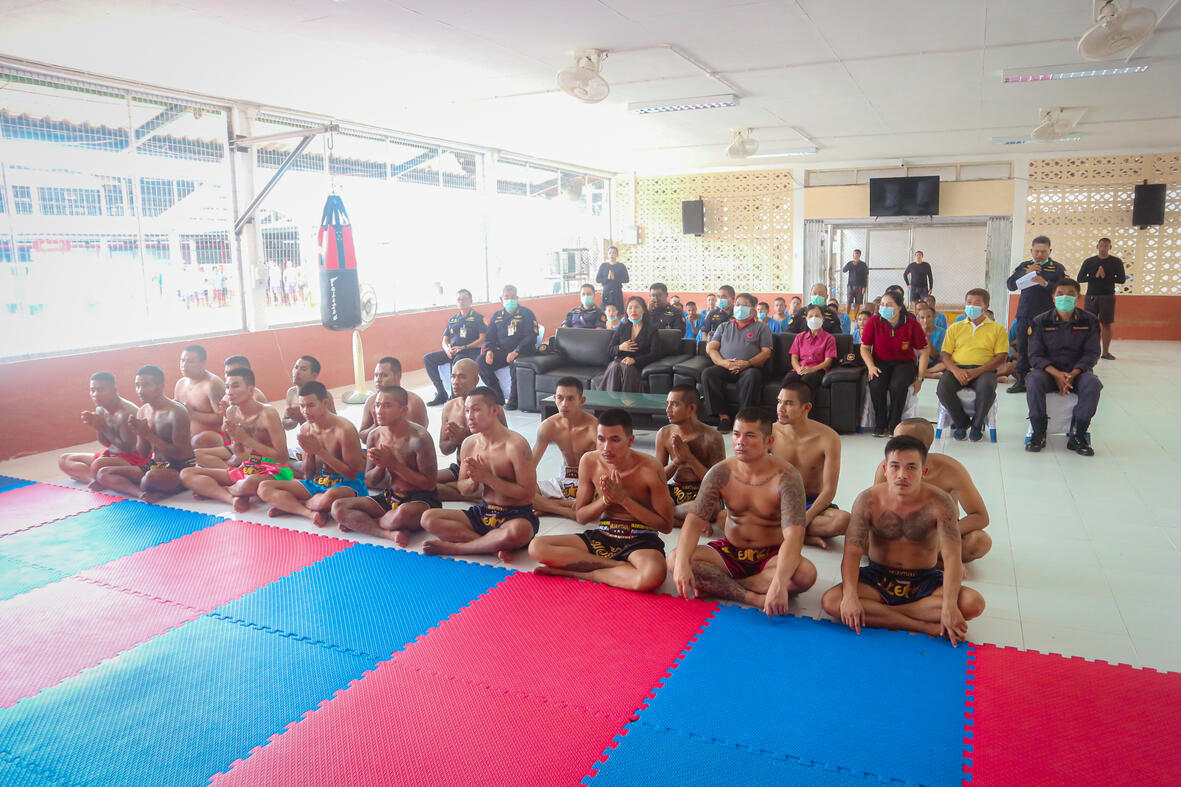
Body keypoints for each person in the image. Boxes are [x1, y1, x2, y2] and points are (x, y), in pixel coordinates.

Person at [821, 435, 985, 644]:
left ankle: (883, 613)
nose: (902, 474)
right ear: (884, 468)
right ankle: (920, 625)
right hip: (878, 577)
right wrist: (851, 596)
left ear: (924, 472)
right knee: (832, 601)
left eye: (911, 467)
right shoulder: (867, 500)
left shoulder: (941, 502)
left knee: (973, 603)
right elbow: (852, 552)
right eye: (895, 466)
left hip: (924, 580)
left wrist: (950, 606)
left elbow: (952, 558)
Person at [669, 407, 816, 615]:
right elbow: (694, 521)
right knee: (675, 559)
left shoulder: (787, 477)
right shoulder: (720, 472)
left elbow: (794, 537)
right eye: (737, 434)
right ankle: (750, 596)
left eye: (750, 436)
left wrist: (780, 580)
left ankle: (723, 585)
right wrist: (683, 564)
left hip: (771, 555)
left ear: (769, 441)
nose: (740, 442)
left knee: (805, 575)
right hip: (729, 552)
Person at [529, 409, 673, 591]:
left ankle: (584, 573)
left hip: (641, 538)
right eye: (601, 439)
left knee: (652, 576)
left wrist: (624, 500)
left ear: (630, 441)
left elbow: (666, 526)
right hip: (604, 534)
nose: (606, 448)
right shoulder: (589, 461)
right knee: (537, 547)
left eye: (614, 440)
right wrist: (605, 500)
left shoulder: (650, 468)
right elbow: (581, 517)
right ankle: (616, 568)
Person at [419, 387, 538, 561]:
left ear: (495, 410)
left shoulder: (516, 445)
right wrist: (474, 481)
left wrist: (488, 478)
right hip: (483, 512)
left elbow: (528, 494)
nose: (470, 417)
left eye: (476, 410)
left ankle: (459, 548)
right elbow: (463, 489)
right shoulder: (469, 444)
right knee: (428, 518)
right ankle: (488, 547)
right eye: (467, 411)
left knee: (517, 532)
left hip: (516, 515)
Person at [329, 387, 439, 544]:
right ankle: (387, 533)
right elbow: (369, 481)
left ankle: (365, 523)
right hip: (390, 497)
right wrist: (381, 466)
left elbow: (429, 484)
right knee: (338, 508)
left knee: (402, 515)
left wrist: (394, 464)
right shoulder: (375, 436)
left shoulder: (419, 438)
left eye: (387, 406)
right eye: (377, 405)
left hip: (419, 500)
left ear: (403, 410)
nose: (379, 411)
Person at [876, 419, 991, 563]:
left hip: (942, 531)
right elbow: (875, 510)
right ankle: (930, 563)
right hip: (900, 531)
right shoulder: (886, 467)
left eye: (902, 442)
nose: (894, 446)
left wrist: (941, 533)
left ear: (922, 447)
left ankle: (927, 563)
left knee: (980, 542)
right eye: (894, 439)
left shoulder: (950, 470)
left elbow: (980, 516)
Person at [179, 368, 289, 513]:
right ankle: (232, 498)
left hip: (275, 470)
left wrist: (246, 439)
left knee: (249, 483)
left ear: (250, 390)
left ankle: (225, 489)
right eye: (227, 387)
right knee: (186, 474)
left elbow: (282, 457)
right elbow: (240, 455)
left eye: (235, 386)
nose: (229, 392)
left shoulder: (268, 413)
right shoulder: (231, 412)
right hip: (248, 467)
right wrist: (236, 440)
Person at [257, 381, 366, 525]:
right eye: (302, 406)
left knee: (330, 497)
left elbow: (352, 474)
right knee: (264, 487)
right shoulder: (305, 429)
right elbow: (308, 475)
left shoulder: (344, 429)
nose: (305, 411)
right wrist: (309, 453)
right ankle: (308, 512)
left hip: (346, 486)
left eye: (311, 405)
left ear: (325, 403)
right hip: (317, 483)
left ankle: (291, 505)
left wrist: (319, 451)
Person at [92, 365, 194, 502]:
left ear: (159, 386)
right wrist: (140, 434)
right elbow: (144, 454)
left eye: (145, 385)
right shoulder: (143, 411)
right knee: (103, 473)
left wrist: (148, 435)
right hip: (154, 465)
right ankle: (141, 493)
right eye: (137, 386)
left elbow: (179, 454)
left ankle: (167, 487)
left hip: (180, 467)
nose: (140, 391)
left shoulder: (176, 412)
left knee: (151, 478)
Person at [1025, 278, 1102, 456]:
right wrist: (1057, 374)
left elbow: (1092, 354)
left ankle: (1078, 435)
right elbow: (1035, 355)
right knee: (1033, 381)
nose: (1064, 297)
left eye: (1070, 294)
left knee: (1093, 384)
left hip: (1078, 373)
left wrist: (1072, 374)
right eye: (1060, 294)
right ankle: (1038, 432)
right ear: (1053, 297)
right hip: (1047, 372)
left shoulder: (1089, 320)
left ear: (1078, 297)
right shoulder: (1040, 321)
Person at [772, 382, 850, 547]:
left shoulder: (829, 438)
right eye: (779, 401)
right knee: (726, 517)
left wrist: (804, 520)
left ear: (806, 408)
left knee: (843, 520)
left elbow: (829, 490)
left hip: (812, 502)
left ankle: (785, 532)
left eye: (788, 403)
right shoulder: (771, 432)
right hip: (779, 501)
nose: (781, 408)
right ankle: (803, 536)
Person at [936, 288, 1009, 442]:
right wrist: (956, 371)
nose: (972, 306)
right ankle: (961, 423)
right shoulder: (955, 327)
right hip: (958, 368)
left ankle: (977, 425)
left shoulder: (998, 329)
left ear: (986, 305)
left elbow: (1001, 356)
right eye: (969, 302)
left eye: (976, 303)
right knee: (943, 388)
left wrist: (978, 371)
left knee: (986, 388)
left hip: (984, 370)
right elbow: (945, 354)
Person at [701, 292, 773, 433]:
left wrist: (747, 363)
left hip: (749, 367)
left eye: (745, 305)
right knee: (708, 374)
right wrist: (723, 362)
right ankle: (724, 417)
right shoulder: (724, 326)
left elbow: (766, 352)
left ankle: (742, 418)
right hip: (725, 366)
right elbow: (711, 348)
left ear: (753, 309)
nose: (740, 308)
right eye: (738, 304)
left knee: (752, 376)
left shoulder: (762, 328)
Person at [860, 292, 929, 437]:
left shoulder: (911, 324)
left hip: (904, 363)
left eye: (889, 305)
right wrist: (871, 366)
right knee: (877, 385)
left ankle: (895, 424)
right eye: (882, 304)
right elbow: (864, 348)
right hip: (880, 362)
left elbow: (923, 352)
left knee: (897, 386)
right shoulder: (874, 321)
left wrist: (920, 379)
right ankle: (880, 424)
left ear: (899, 307)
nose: (884, 308)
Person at [656, 384, 726, 522]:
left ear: (691, 408)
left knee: (711, 507)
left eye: (674, 405)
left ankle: (668, 516)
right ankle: (681, 518)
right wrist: (676, 461)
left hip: (702, 494)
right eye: (668, 404)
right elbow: (658, 478)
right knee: (640, 493)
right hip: (675, 490)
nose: (667, 410)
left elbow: (719, 483)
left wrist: (690, 459)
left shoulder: (712, 437)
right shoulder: (664, 434)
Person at [1006, 235, 1066, 393]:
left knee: (1046, 347)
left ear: (1049, 251)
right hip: (1024, 313)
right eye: (1036, 251)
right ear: (1031, 250)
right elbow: (1011, 285)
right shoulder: (1024, 266)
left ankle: (1046, 379)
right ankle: (1021, 380)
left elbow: (1063, 290)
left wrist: (1045, 283)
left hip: (1046, 315)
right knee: (1023, 346)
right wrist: (1026, 272)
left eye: (1043, 251)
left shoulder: (1057, 268)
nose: (1039, 254)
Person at [58, 372, 142, 485]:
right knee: (64, 459)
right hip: (113, 455)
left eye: (101, 390)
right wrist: (97, 426)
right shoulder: (100, 409)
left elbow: (128, 449)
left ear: (114, 391)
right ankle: (93, 480)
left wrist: (104, 427)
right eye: (92, 390)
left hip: (136, 459)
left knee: (97, 465)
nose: (95, 394)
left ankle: (94, 476)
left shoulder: (125, 413)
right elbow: (105, 442)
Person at [533, 377, 598, 518]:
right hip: (563, 481)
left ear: (582, 401)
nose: (564, 404)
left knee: (605, 498)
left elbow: (606, 466)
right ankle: (569, 511)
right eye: (560, 398)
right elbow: (529, 466)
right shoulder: (548, 426)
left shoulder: (594, 427)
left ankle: (548, 506)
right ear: (554, 398)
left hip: (589, 484)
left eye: (570, 399)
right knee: (523, 492)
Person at [424, 288, 487, 406]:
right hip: (453, 351)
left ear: (470, 301)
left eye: (464, 299)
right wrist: (447, 349)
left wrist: (463, 347)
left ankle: (454, 397)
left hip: (470, 352)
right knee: (428, 358)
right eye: (459, 299)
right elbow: (445, 339)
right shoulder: (453, 319)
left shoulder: (478, 318)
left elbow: (482, 339)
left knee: (458, 361)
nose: (461, 302)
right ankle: (441, 392)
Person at [480, 284, 538, 410]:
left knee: (515, 364)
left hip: (523, 351)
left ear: (517, 298)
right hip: (502, 352)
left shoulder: (527, 314)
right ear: (501, 299)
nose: (510, 300)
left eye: (512, 297)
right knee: (480, 362)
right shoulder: (497, 316)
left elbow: (531, 337)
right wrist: (489, 350)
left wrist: (516, 351)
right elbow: (489, 336)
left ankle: (514, 399)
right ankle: (496, 395)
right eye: (507, 297)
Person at [435, 358, 484, 501]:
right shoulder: (449, 407)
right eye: (453, 376)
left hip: (484, 471)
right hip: (459, 468)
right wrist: (453, 440)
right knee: (423, 482)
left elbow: (501, 447)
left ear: (476, 379)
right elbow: (444, 449)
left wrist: (466, 437)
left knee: (433, 490)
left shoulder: (489, 406)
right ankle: (469, 495)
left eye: (462, 376)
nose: (455, 382)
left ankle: (467, 492)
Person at [594, 296, 657, 392]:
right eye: (630, 308)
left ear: (643, 310)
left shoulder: (651, 329)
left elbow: (655, 354)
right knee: (614, 367)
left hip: (636, 366)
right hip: (619, 363)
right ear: (626, 311)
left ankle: (625, 405)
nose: (633, 310)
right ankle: (610, 404)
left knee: (627, 370)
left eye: (636, 307)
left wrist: (635, 360)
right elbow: (610, 349)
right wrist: (620, 347)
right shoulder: (622, 327)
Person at [1077, 237, 1126, 360]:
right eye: (1101, 246)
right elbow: (1080, 278)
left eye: (1106, 246)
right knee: (1089, 324)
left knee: (1106, 324)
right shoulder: (1089, 261)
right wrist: (1095, 275)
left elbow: (1121, 280)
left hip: (1108, 296)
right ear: (1097, 247)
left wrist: (1106, 276)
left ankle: (1105, 352)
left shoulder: (1116, 261)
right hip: (1091, 296)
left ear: (1110, 247)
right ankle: (1087, 351)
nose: (1103, 248)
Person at [359, 357, 427, 441]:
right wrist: (375, 427)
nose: (378, 380)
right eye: (376, 375)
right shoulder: (371, 401)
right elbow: (362, 437)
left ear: (398, 376)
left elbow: (419, 439)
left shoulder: (414, 403)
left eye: (384, 375)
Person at [173, 344, 226, 449]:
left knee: (201, 440)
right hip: (188, 436)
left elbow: (223, 417)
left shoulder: (212, 384)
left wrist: (193, 414)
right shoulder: (180, 384)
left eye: (190, 361)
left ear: (203, 363)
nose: (184, 365)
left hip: (214, 439)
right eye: (182, 361)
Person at [781, 304, 837, 396]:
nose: (814, 318)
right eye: (810, 316)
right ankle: (785, 408)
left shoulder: (829, 338)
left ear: (823, 318)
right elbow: (794, 357)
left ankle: (806, 409)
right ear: (806, 319)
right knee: (788, 380)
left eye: (817, 316)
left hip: (818, 370)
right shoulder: (799, 337)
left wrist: (812, 369)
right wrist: (798, 369)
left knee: (806, 381)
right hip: (801, 369)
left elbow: (828, 362)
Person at [283, 355, 334, 431]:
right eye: (296, 367)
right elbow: (285, 424)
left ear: (314, 375)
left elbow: (334, 424)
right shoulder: (291, 393)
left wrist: (305, 415)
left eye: (303, 369)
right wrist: (293, 420)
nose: (297, 371)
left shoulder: (323, 395)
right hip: (306, 435)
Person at [914, 305, 946, 379]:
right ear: (918, 320)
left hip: (934, 364)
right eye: (922, 318)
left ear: (934, 317)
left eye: (928, 317)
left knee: (948, 365)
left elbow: (936, 356)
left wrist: (926, 338)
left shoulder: (942, 332)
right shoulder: (914, 332)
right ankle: (930, 375)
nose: (925, 320)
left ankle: (924, 372)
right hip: (919, 363)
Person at [595, 245, 628, 312]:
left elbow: (626, 279)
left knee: (618, 311)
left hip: (617, 293)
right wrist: (607, 278)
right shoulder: (603, 266)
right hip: (606, 293)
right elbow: (598, 279)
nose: (611, 255)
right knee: (605, 312)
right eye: (610, 253)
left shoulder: (621, 266)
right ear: (607, 254)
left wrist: (614, 278)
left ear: (617, 255)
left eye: (614, 253)